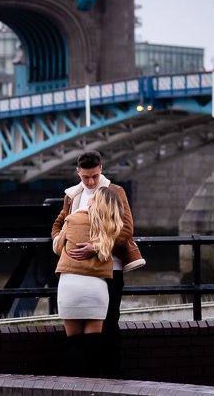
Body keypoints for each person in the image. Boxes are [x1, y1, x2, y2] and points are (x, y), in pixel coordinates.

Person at [51, 151, 144, 378]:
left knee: (109, 323)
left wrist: (97, 246)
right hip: (79, 272)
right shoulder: (73, 195)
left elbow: (126, 228)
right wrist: (61, 243)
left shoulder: (114, 191)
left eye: (94, 176)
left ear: (101, 169)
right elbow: (58, 224)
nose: (91, 182)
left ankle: (111, 375)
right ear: (78, 172)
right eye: (86, 177)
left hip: (110, 269)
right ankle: (92, 378)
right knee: (84, 328)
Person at [54, 186, 124, 377]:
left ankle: (77, 384)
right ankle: (92, 383)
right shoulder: (111, 226)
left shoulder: (73, 219)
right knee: (93, 343)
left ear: (94, 201)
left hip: (69, 285)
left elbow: (58, 247)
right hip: (96, 287)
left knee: (74, 342)